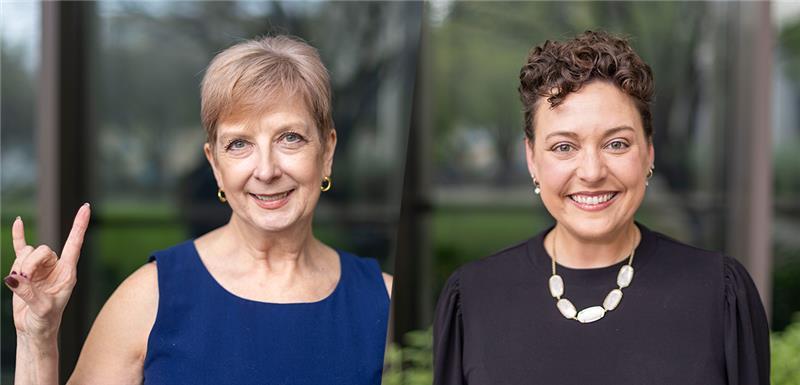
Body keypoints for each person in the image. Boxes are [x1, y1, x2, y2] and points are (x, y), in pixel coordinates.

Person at [5, 35, 392, 384]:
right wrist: (36, 339)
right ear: (215, 165)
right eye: (239, 144)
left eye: (290, 138)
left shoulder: (387, 302)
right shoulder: (149, 297)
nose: (267, 170)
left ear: (327, 153)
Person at [433, 31, 769, 385]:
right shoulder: (472, 298)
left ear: (649, 153)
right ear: (531, 158)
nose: (592, 172)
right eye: (564, 147)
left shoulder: (719, 293)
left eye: (617, 143)